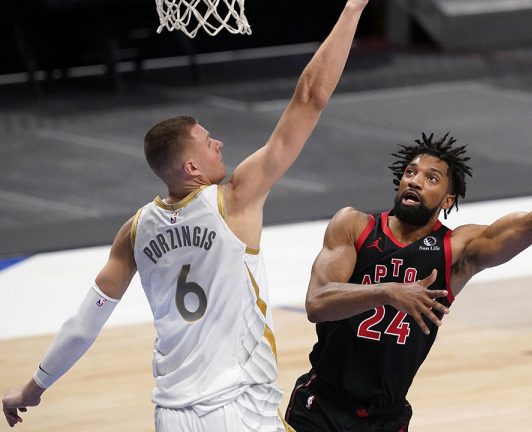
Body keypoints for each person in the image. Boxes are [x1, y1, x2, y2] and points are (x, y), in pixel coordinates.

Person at [2, 1, 369, 430]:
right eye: (209, 142)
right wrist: (352, 8)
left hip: (171, 414)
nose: (219, 144)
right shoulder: (235, 200)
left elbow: (86, 322)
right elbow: (310, 98)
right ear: (192, 168)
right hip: (237, 407)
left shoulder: (135, 230)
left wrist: (34, 388)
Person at [284, 128, 532, 431]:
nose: (415, 181)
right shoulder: (355, 226)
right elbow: (317, 303)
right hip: (321, 406)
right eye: (410, 173)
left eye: (431, 178)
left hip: (386, 416)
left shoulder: (457, 251)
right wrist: (388, 292)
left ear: (448, 200)